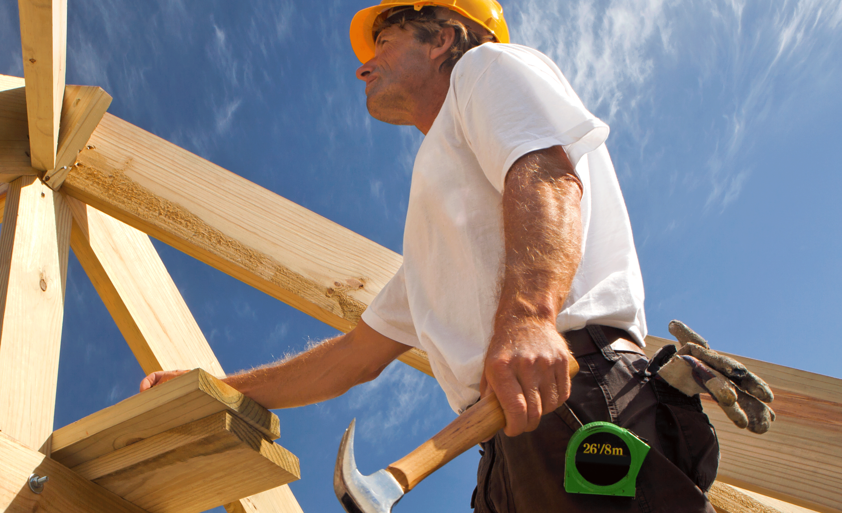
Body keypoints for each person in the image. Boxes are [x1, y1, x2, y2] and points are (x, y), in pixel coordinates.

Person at [142, 1, 737, 510]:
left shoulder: (486, 67)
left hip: (572, 394)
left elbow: (548, 175)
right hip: (507, 445)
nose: (361, 64)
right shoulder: (444, 222)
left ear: (443, 39)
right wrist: (213, 385)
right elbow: (353, 357)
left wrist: (529, 315)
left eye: (384, 38)